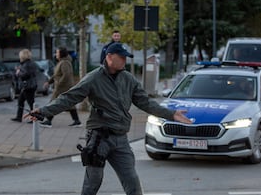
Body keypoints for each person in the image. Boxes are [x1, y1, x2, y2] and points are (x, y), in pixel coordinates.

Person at [24, 43, 192, 195]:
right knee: (92, 184)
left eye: (126, 57)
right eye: (122, 57)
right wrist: (43, 111)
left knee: (132, 182)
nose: (125, 60)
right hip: (99, 138)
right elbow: (69, 98)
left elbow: (145, 102)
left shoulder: (128, 79)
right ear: (109, 57)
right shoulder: (93, 78)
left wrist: (170, 114)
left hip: (121, 139)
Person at [40, 47, 82, 128]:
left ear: (61, 54)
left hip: (62, 88)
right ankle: (77, 121)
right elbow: (56, 75)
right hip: (61, 87)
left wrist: (59, 83)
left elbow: (66, 75)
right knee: (69, 104)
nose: (56, 54)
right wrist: (49, 82)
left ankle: (48, 121)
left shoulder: (65, 63)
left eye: (57, 53)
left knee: (53, 103)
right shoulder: (61, 62)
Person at [11, 49, 37, 123]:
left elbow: (25, 75)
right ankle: (19, 117)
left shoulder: (26, 64)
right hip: (31, 85)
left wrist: (18, 72)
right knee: (21, 101)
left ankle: (33, 118)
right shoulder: (31, 63)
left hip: (27, 86)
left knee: (30, 102)